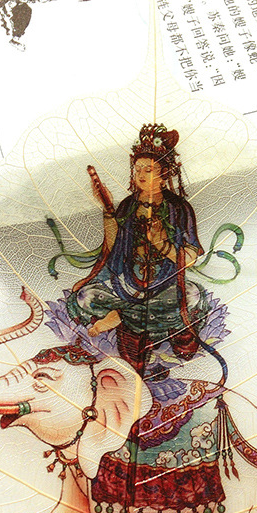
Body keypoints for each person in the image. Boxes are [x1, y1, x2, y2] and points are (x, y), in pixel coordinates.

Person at [66, 124, 208, 374]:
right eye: (137, 169)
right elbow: (114, 249)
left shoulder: (179, 208)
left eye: (148, 169)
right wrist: (108, 209)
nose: (141, 174)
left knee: (193, 294)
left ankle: (121, 317)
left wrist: (162, 244)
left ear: (164, 174)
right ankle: (145, 319)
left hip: (166, 285)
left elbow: (189, 259)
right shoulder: (128, 205)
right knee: (85, 296)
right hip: (128, 285)